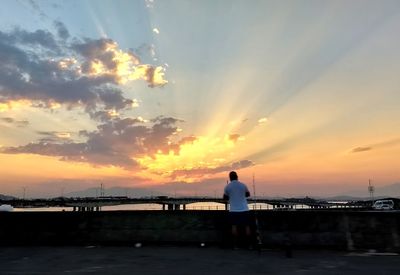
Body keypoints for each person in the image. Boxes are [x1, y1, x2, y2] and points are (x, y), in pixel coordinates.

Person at [223, 171, 252, 249]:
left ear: (230, 178)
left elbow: (225, 198)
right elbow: (248, 194)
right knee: (247, 227)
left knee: (234, 227)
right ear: (237, 177)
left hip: (233, 210)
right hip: (244, 209)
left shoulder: (227, 187)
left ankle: (235, 245)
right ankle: (249, 245)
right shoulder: (243, 185)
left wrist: (231, 195)